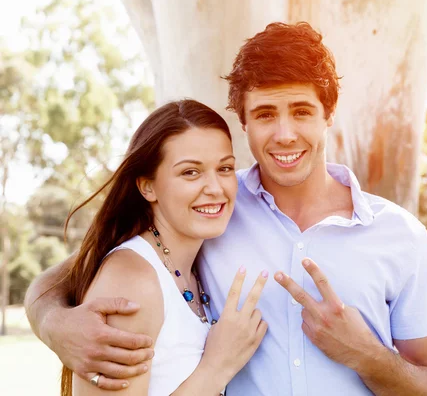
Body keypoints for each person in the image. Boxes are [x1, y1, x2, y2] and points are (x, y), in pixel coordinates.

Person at [26, 22, 427, 395]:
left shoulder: (398, 234)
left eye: (301, 111)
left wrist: (367, 356)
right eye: (266, 114)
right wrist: (54, 324)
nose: (285, 134)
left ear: (328, 114)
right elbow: (84, 269)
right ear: (244, 121)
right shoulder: (210, 209)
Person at [38, 99, 269, 395]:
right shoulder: (132, 281)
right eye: (190, 172)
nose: (215, 188)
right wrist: (216, 369)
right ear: (148, 186)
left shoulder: (193, 260)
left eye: (224, 168)